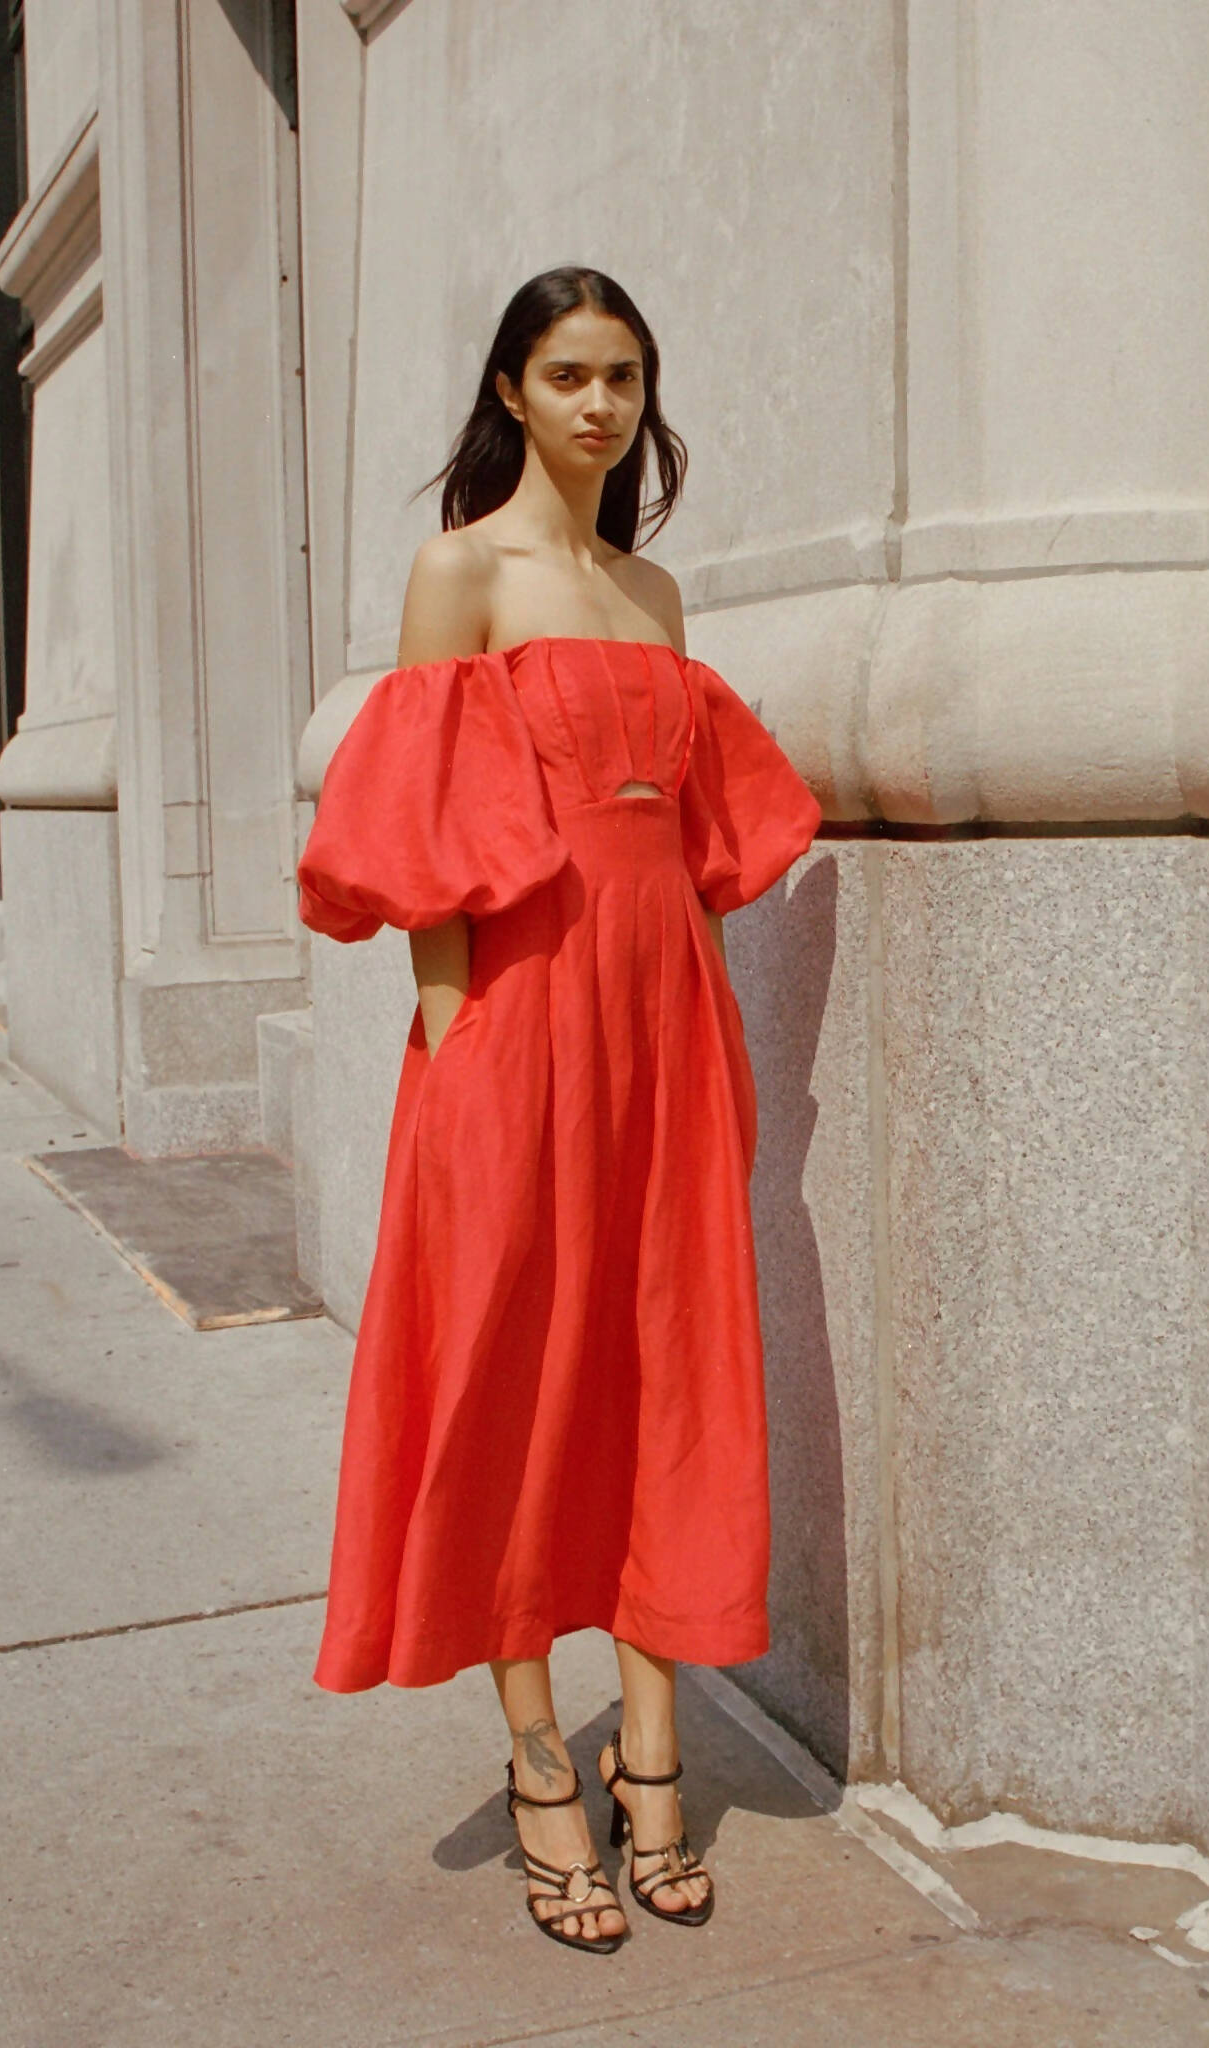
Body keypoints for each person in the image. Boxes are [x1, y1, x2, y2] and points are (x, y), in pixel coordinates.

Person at [297, 266, 821, 1956]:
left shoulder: (652, 592)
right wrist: (447, 1021)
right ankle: (542, 1760)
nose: (600, 404)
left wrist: (702, 1019)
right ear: (511, 391)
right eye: (569, 373)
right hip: (519, 1016)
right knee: (520, 1367)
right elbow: (425, 816)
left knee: (664, 1358)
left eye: (624, 376)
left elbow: (698, 841)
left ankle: (652, 1744)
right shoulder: (463, 573)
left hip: (664, 1016)